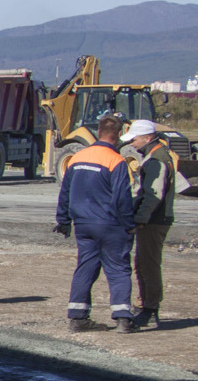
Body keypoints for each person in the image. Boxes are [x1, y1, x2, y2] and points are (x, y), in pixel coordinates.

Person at [55, 111, 138, 332]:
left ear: (98, 132)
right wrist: (130, 224)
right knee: (119, 269)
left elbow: (65, 191)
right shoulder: (116, 161)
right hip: (110, 225)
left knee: (85, 267)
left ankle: (78, 317)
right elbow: (122, 198)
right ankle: (122, 318)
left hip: (83, 224)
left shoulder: (79, 158)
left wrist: (63, 219)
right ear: (119, 134)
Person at [121, 120, 177, 328]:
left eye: (134, 139)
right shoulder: (158, 155)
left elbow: (153, 196)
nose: (131, 144)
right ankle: (146, 305)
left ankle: (150, 310)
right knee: (144, 264)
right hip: (155, 219)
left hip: (154, 221)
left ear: (147, 138)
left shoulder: (156, 160)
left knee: (148, 265)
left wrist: (139, 219)